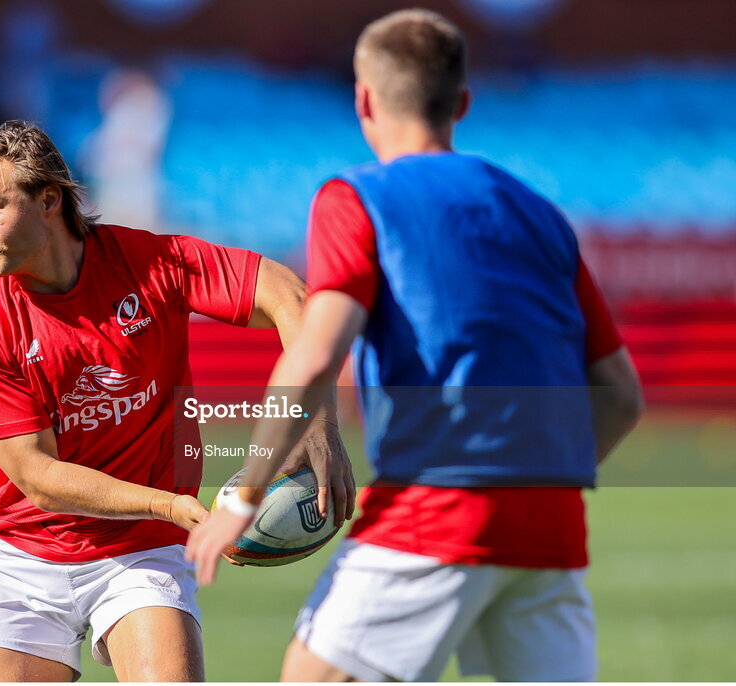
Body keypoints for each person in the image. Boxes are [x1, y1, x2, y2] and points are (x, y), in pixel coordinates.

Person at [187, 9, 644, 682]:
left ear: (363, 99)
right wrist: (535, 480)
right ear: (461, 102)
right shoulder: (541, 214)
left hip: (436, 513)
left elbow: (315, 354)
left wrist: (242, 498)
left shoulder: (357, 198)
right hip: (552, 526)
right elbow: (622, 397)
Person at [0, 120, 354, 682]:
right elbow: (37, 475)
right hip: (22, 556)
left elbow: (290, 295)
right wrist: (167, 504)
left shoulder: (148, 263)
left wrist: (315, 420)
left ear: (48, 200)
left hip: (140, 551)